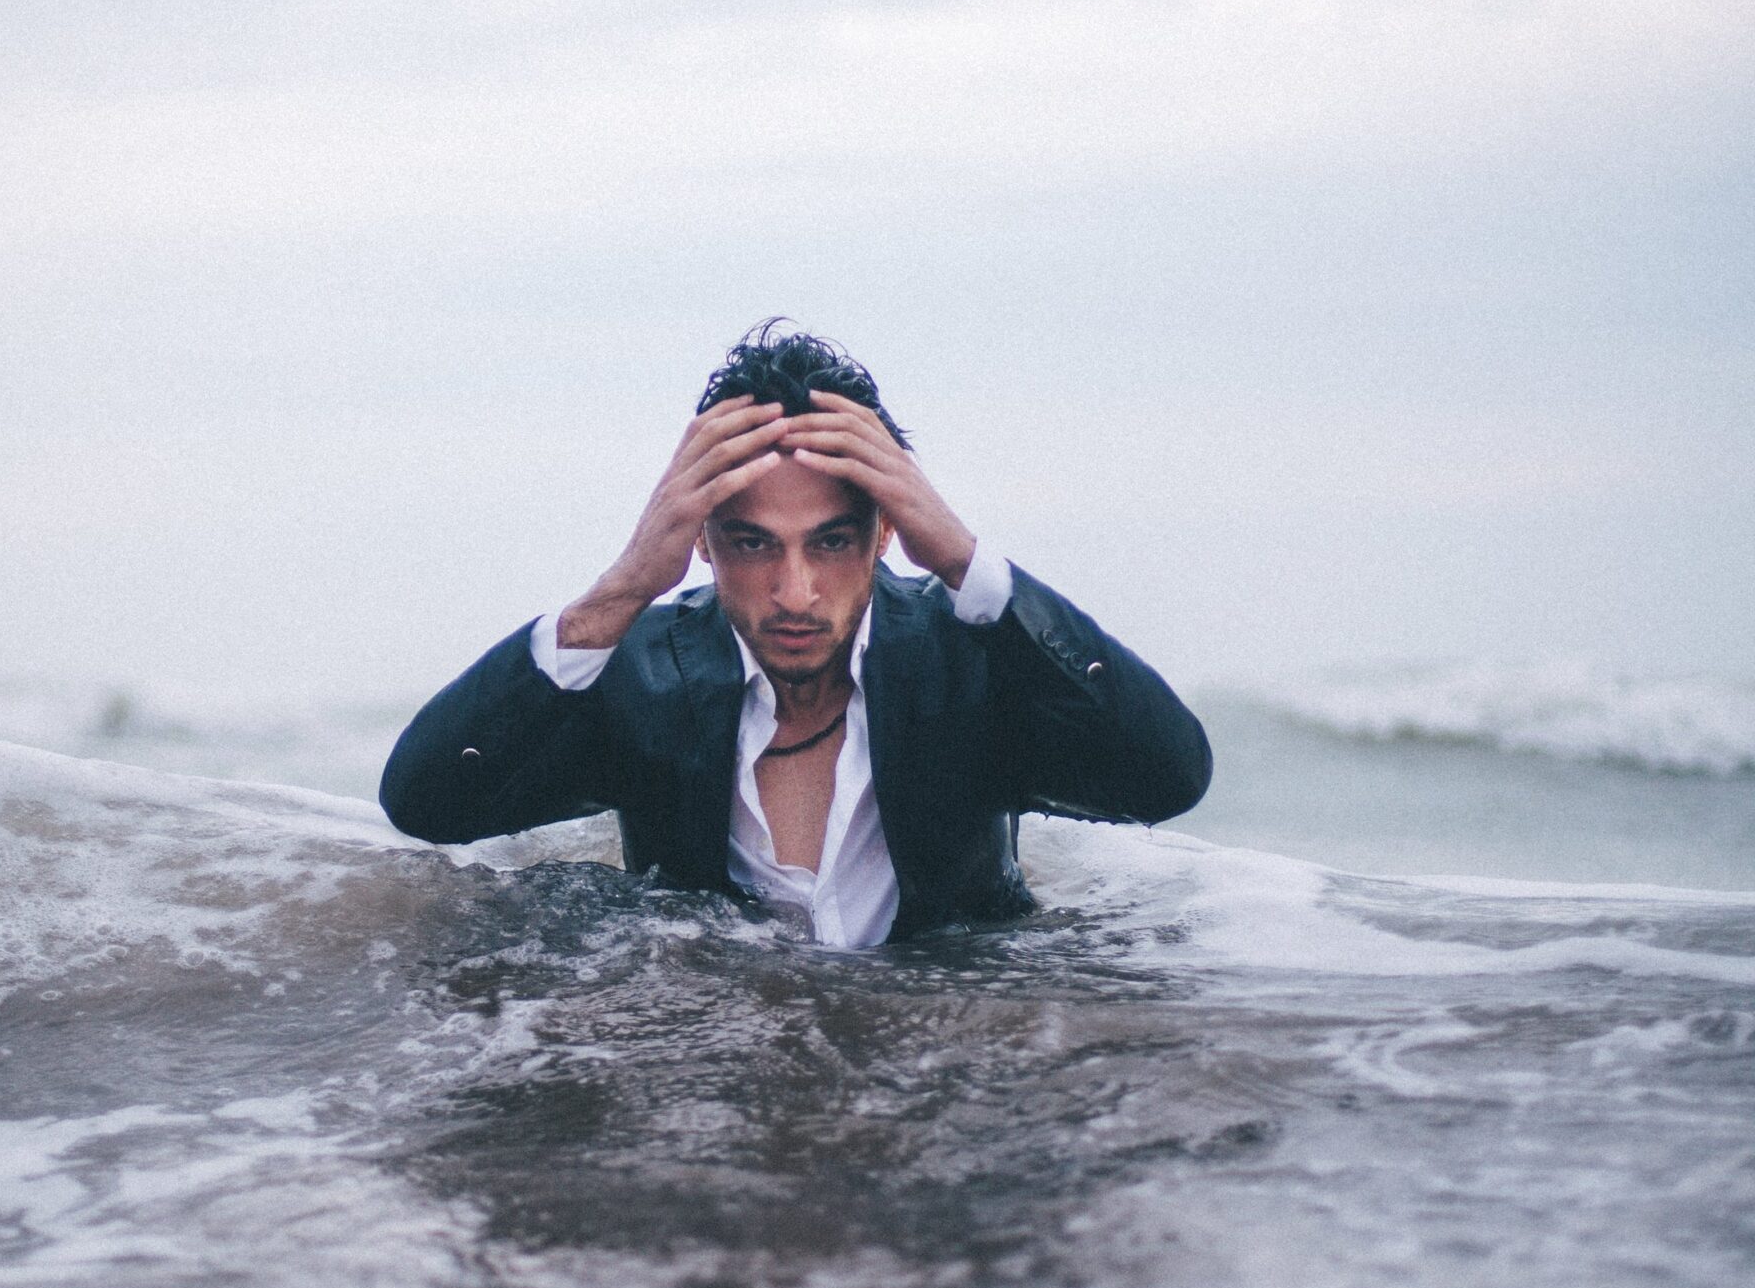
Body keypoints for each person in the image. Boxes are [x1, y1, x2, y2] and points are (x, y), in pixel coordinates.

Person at [381, 325, 1212, 947]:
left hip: (949, 1081)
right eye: (752, 543)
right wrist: (624, 586)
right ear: (700, 538)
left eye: (830, 540)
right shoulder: (640, 673)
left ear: (885, 533)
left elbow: (1166, 776)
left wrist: (961, 558)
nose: (795, 592)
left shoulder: (970, 661)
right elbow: (429, 805)